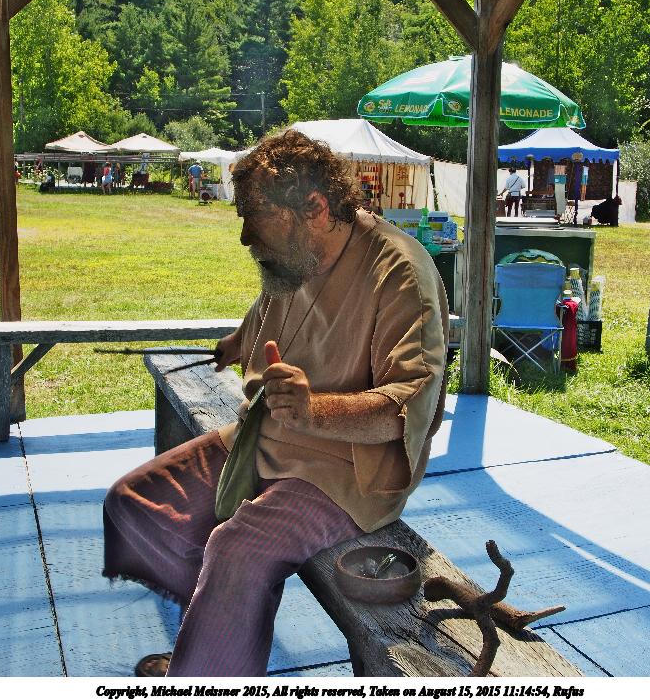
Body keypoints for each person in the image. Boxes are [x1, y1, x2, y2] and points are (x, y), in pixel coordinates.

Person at [102, 129, 449, 677]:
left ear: (314, 208)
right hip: (267, 434)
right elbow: (267, 312)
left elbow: (408, 406)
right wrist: (236, 343)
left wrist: (314, 410)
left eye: (255, 216)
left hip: (346, 470)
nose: (244, 235)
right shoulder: (294, 256)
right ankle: (211, 635)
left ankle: (208, 669)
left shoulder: (400, 272)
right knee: (135, 503)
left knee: (236, 550)